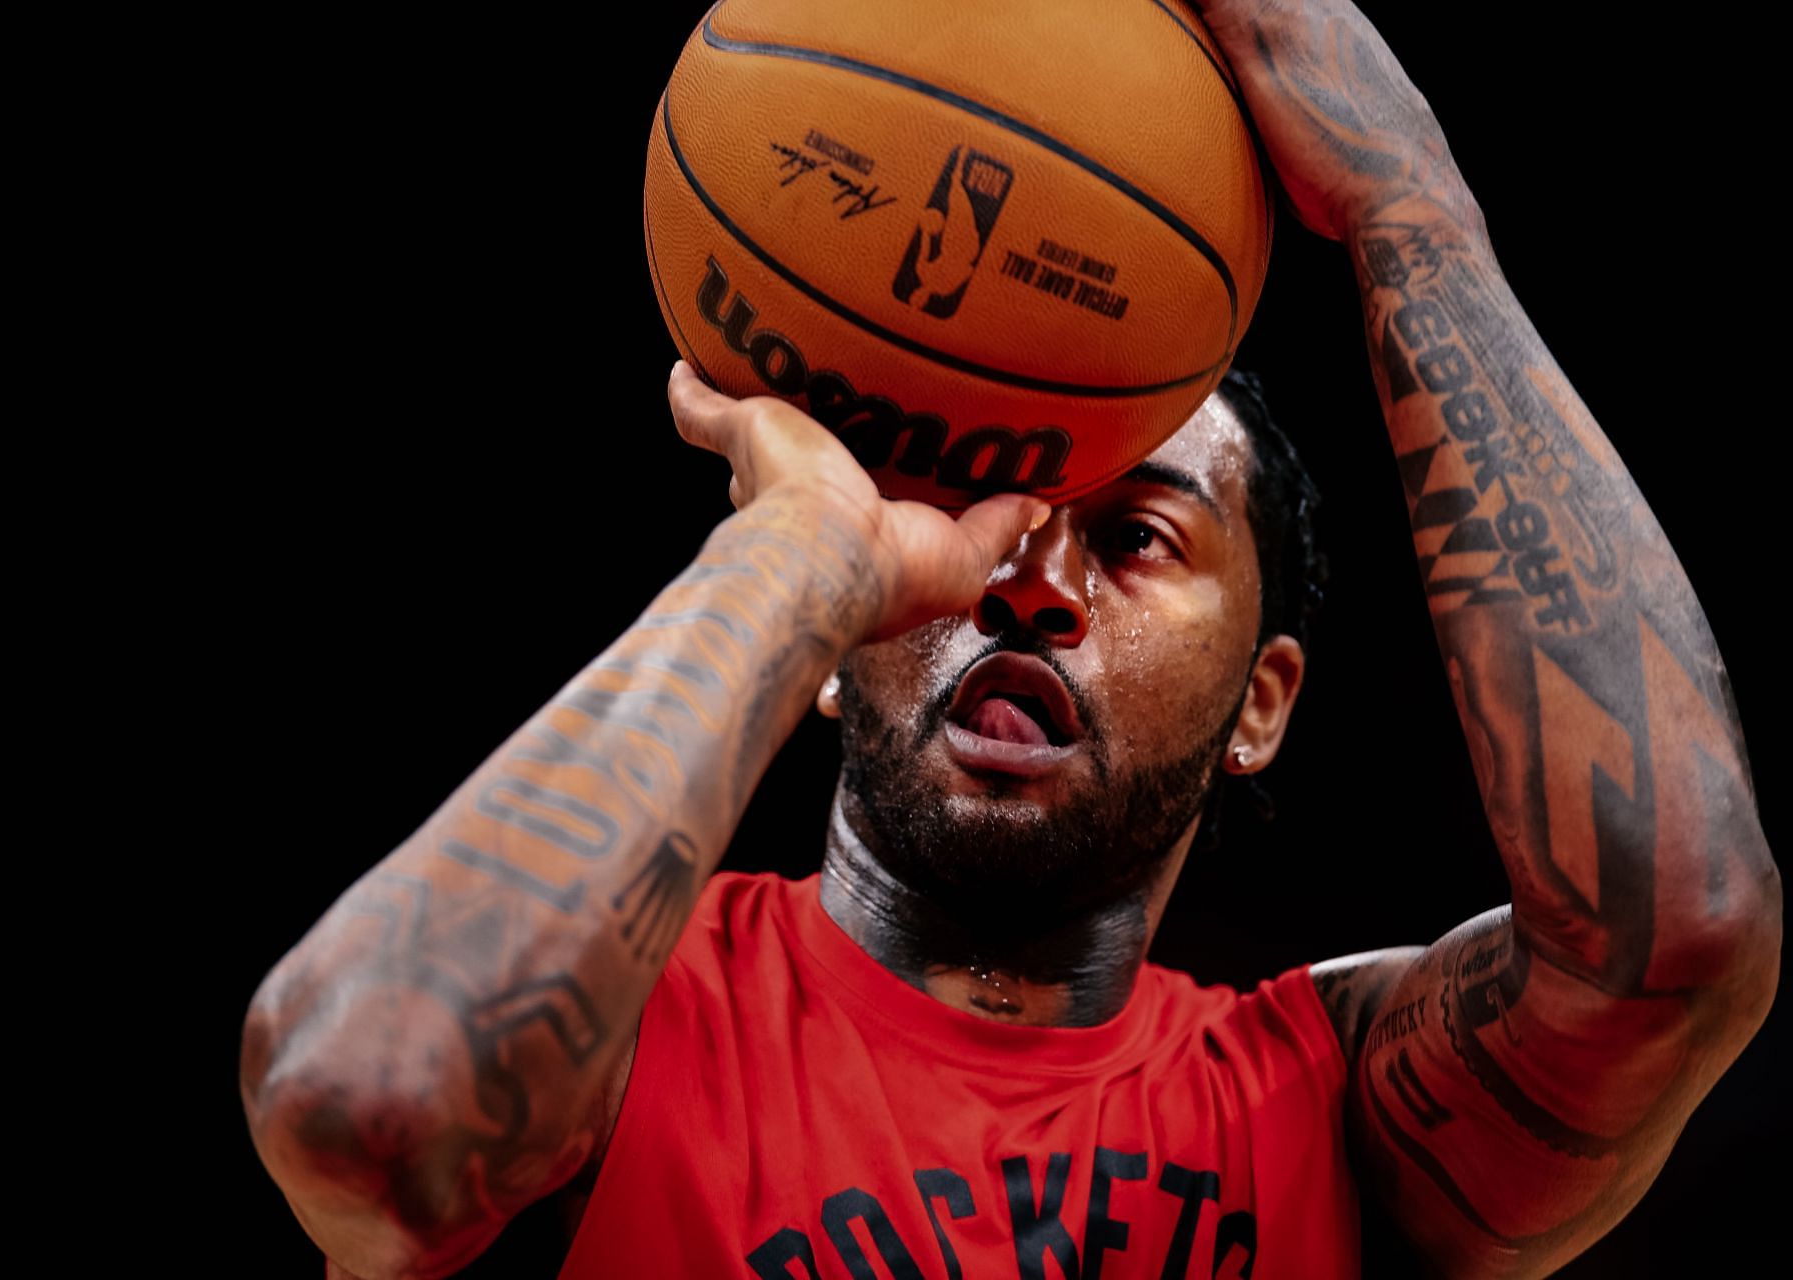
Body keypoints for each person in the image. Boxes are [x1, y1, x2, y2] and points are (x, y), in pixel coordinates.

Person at [239, 1, 1780, 1276]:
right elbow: (366, 1101)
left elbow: (1674, 937)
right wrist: (799, 554)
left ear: (1264, 703)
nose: (1030, 584)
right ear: (830, 647)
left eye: (1136, 535)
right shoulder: (621, 1026)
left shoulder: (1330, 1114)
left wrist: (1413, 214)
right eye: (979, 516)